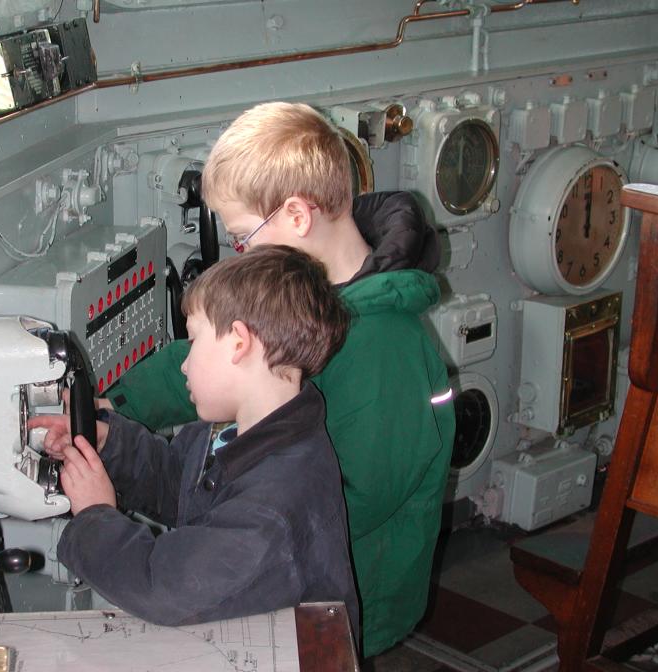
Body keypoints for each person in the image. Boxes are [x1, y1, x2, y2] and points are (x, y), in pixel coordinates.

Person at [100, 102, 456, 657]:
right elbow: (202, 358)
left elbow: (360, 497)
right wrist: (113, 406)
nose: (240, 252)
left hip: (346, 596)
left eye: (243, 236)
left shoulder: (384, 345)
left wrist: (229, 529)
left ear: (296, 215)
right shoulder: (297, 295)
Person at [30, 245, 360, 644]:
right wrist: (111, 443)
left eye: (193, 341)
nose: (184, 364)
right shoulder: (240, 430)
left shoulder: (272, 507)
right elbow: (177, 483)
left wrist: (96, 514)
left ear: (239, 343)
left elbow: (162, 587)